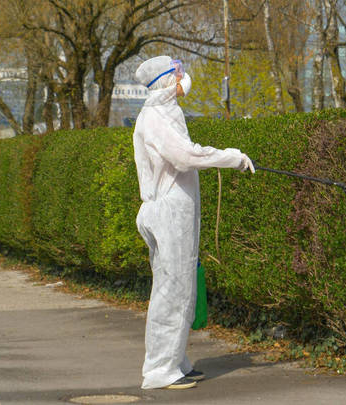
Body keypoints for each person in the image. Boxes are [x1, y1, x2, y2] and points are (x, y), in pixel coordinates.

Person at [132, 55, 254, 390]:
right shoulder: (155, 116)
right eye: (177, 72)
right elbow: (185, 155)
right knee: (172, 289)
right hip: (168, 212)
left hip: (176, 214)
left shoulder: (166, 111)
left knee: (180, 285)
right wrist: (232, 157)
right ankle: (159, 369)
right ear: (166, 80)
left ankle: (176, 360)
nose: (183, 77)